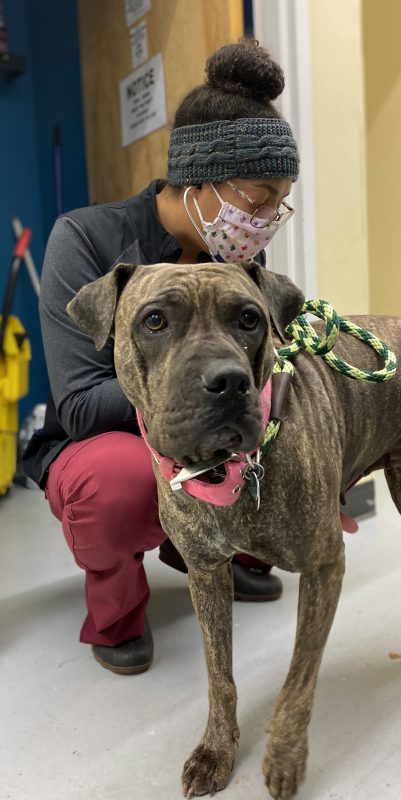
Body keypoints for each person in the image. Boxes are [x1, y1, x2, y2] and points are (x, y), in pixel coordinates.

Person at [22, 39, 300, 675]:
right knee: (118, 482)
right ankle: (117, 609)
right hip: (102, 437)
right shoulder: (85, 239)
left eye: (278, 205)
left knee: (299, 421)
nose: (264, 222)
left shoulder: (235, 260)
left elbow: (266, 366)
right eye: (257, 200)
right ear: (198, 181)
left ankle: (214, 548)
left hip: (210, 425)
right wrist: (197, 392)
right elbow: (84, 403)